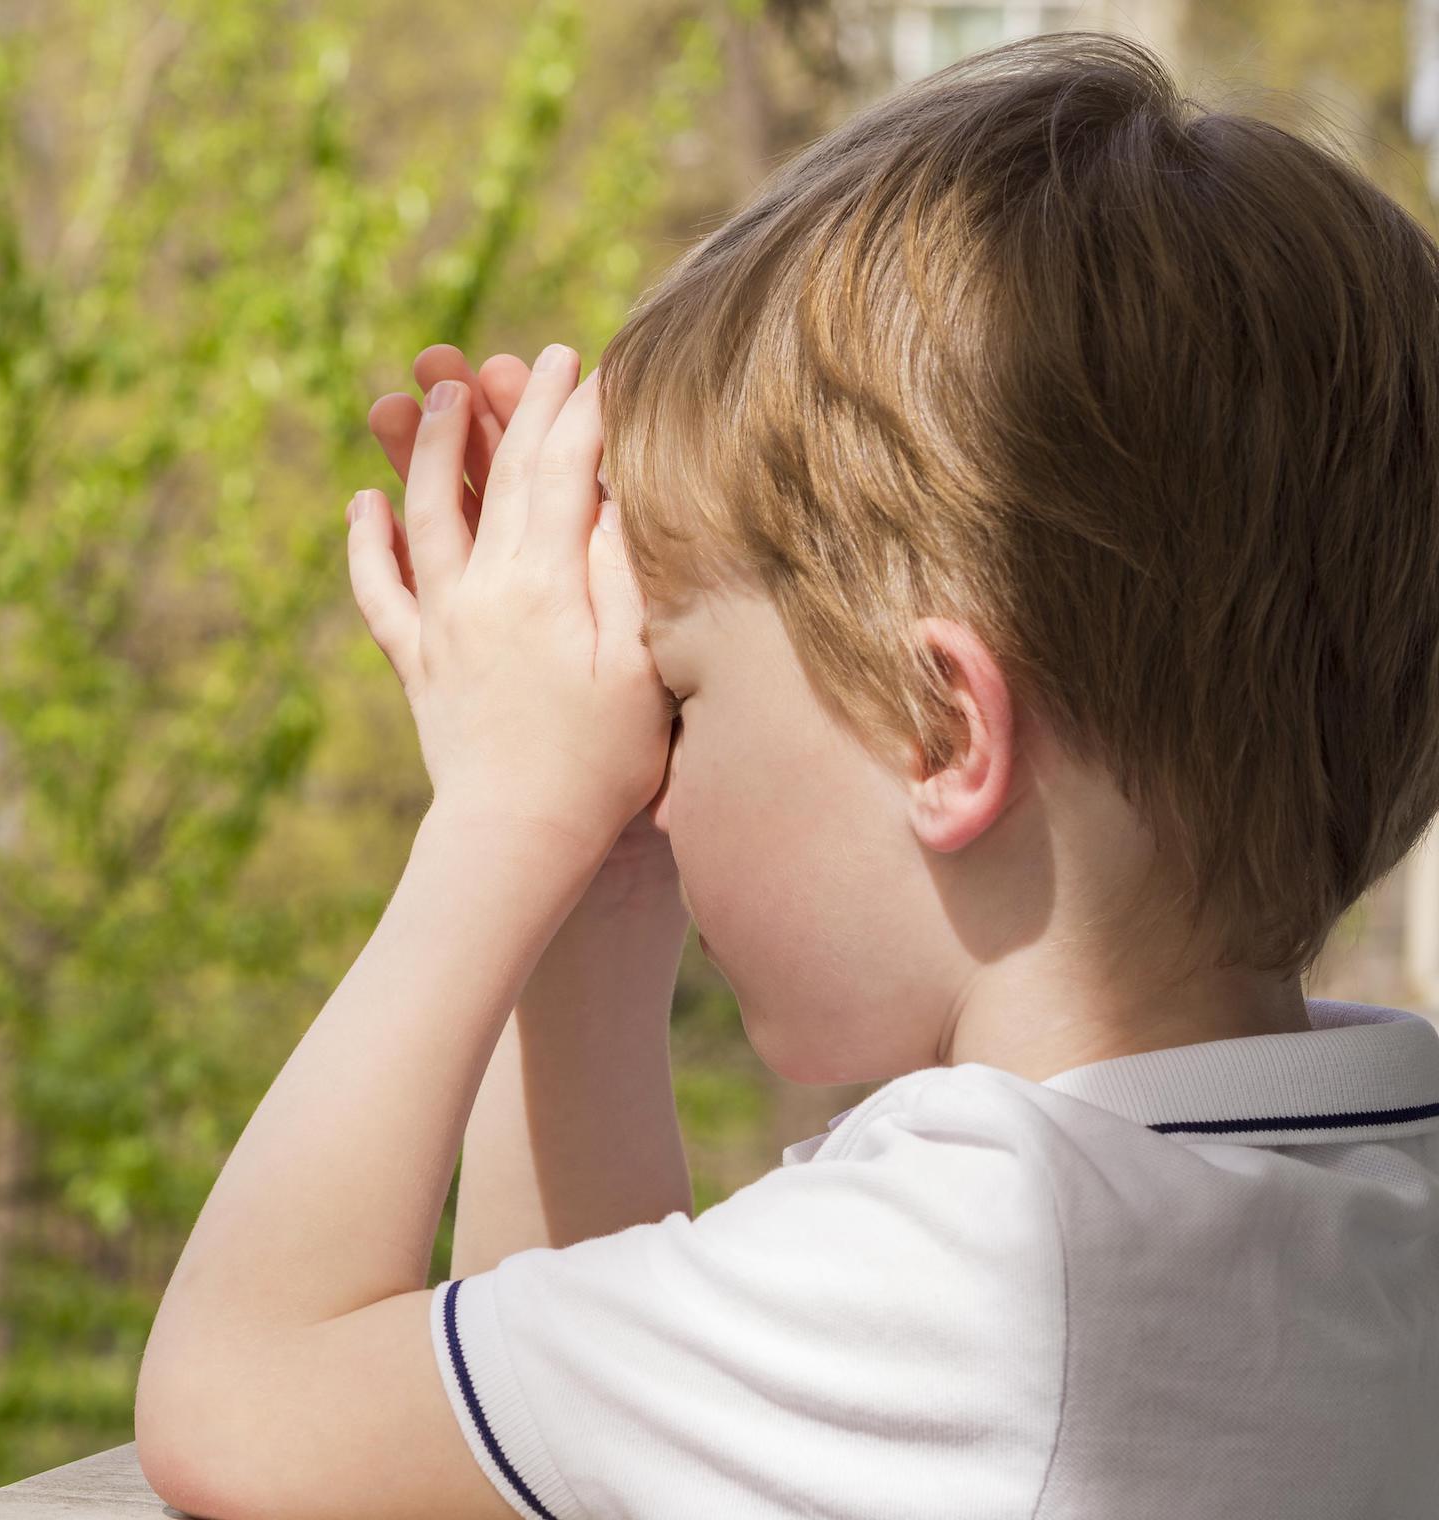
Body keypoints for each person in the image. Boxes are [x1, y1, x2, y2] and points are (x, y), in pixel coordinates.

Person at [133, 30, 1439, 1519]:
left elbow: (233, 1407)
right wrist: (597, 887)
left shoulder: (994, 1264)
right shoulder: (1367, 1190)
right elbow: (581, 1447)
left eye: (679, 698)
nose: (653, 775)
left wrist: (504, 815)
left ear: (941, 734)